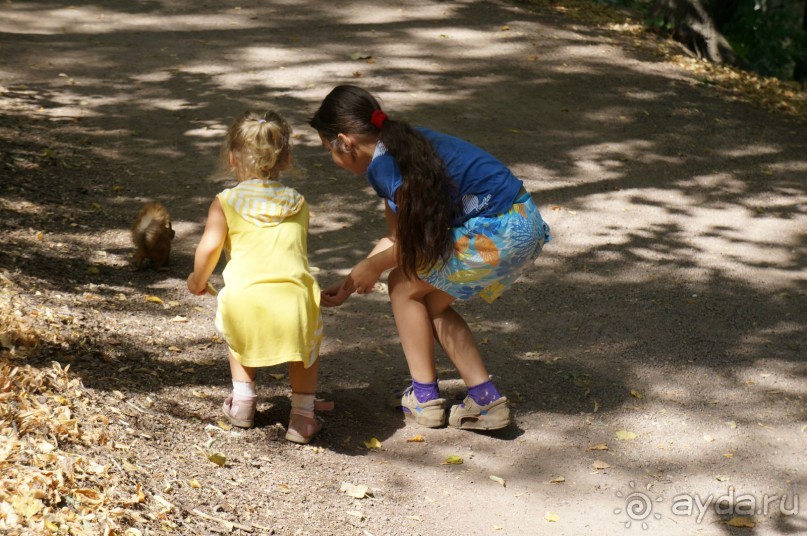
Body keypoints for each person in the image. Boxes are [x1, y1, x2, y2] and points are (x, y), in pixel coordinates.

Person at [309, 85, 550, 430]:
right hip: (522, 219)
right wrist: (351, 281)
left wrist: (373, 266)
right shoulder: (402, 144)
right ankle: (485, 402)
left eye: (327, 150)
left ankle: (424, 399)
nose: (332, 160)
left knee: (403, 284)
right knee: (429, 303)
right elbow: (397, 237)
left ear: (345, 142)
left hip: (499, 229)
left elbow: (416, 244)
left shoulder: (386, 167)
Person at [187, 110, 324, 444]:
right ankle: (303, 416)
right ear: (286, 159)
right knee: (305, 346)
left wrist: (197, 280)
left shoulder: (226, 202)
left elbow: (209, 248)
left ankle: (244, 402)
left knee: (239, 328)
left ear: (232, 158)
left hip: (246, 299)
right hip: (294, 300)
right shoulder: (298, 203)